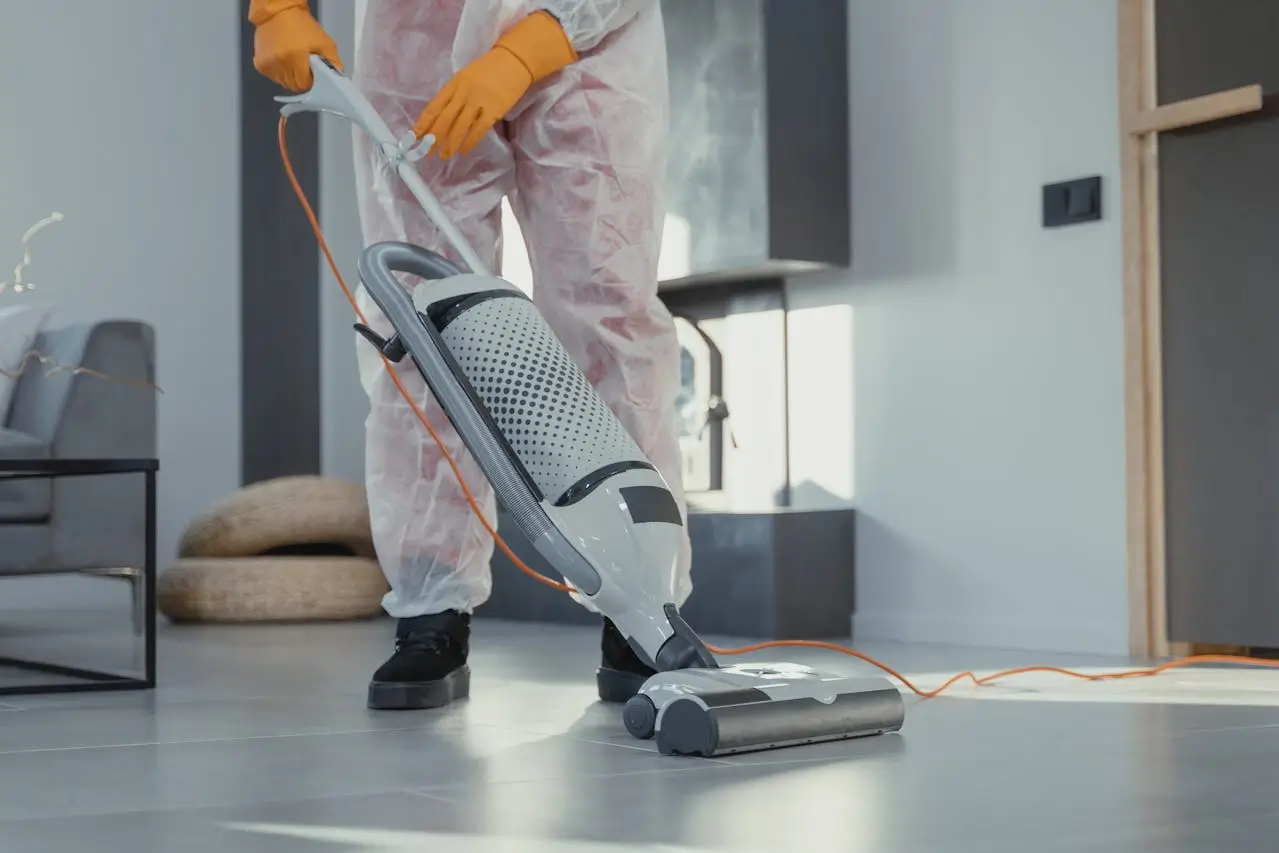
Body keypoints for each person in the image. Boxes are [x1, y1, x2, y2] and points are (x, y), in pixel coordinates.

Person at [248, 0, 691, 710]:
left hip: (591, 44)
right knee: (424, 320)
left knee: (609, 315)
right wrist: (278, 7)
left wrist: (527, 49)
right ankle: (431, 608)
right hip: (415, 33)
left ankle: (640, 607)